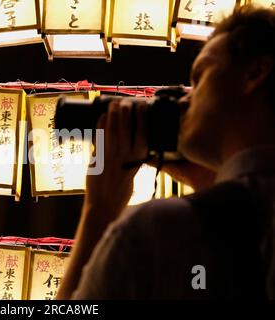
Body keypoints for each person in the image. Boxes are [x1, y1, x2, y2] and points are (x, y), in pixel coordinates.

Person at [57, 5, 275, 299]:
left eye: (199, 78)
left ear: (255, 72)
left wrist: (99, 208)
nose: (185, 100)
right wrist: (213, 182)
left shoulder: (158, 232)